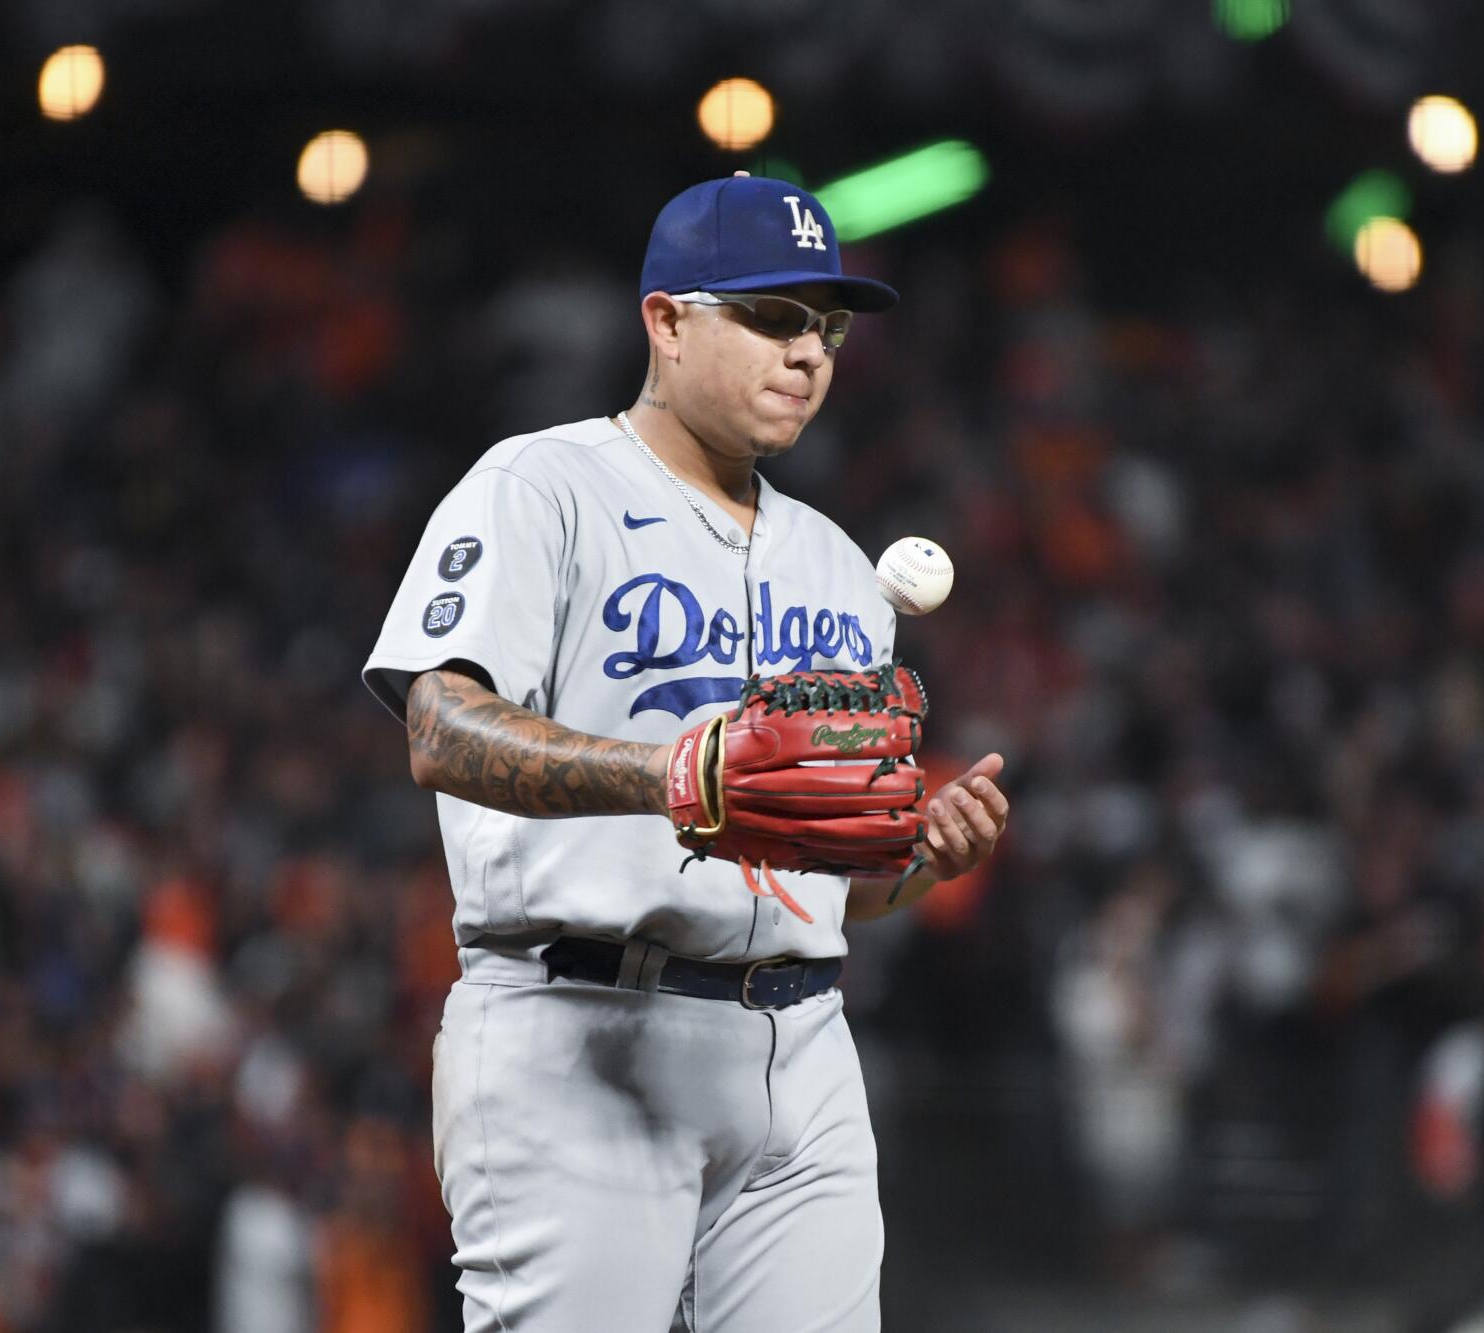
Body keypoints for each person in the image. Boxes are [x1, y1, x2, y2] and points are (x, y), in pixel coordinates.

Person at [361, 172, 1011, 1331]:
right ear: (664, 320)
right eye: (769, 315)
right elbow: (438, 726)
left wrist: (915, 861)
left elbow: (816, 874)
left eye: (827, 324)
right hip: (581, 1032)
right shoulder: (540, 485)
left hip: (801, 1046)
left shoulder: (838, 569)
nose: (807, 351)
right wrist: (660, 773)